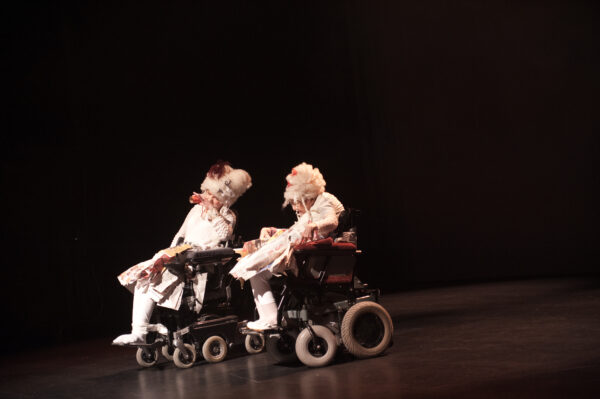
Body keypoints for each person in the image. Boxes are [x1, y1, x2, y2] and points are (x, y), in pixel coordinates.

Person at [113, 161, 252, 345]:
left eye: (215, 195)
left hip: (198, 268)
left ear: (225, 198)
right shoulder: (195, 210)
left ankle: (145, 330)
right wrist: (167, 255)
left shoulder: (228, 215)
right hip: (181, 258)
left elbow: (225, 234)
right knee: (144, 276)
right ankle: (140, 330)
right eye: (208, 192)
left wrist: (212, 210)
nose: (209, 197)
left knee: (153, 280)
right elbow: (180, 235)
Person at [229, 162, 344, 331]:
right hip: (299, 250)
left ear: (308, 196)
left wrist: (313, 226)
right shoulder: (310, 211)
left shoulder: (323, 200)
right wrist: (274, 231)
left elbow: (332, 221)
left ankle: (270, 319)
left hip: (308, 257)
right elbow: (296, 231)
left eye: (296, 203)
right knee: (255, 272)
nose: (295, 208)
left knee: (256, 269)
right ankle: (268, 318)